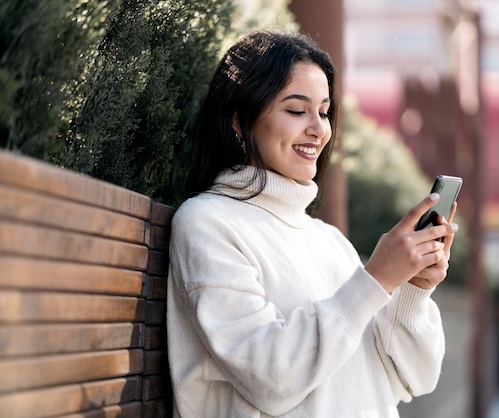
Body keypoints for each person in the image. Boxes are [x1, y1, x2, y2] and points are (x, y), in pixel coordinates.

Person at [167, 30, 459, 418]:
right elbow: (271, 378)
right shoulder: (207, 224)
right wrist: (375, 280)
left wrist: (412, 290)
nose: (319, 129)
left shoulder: (329, 241)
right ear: (240, 121)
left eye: (323, 111)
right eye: (295, 110)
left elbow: (414, 379)